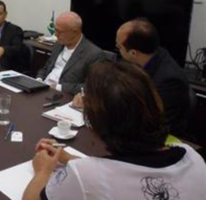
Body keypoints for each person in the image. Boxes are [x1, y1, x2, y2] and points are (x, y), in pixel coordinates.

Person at [24, 61, 206, 200]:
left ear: (96, 121)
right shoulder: (194, 158)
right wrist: (69, 158)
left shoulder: (85, 175)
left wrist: (43, 171)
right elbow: (127, 169)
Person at [115, 19, 190, 136]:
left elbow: (154, 123)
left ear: (133, 53)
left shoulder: (169, 81)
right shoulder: (143, 59)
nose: (118, 50)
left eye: (119, 47)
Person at [36, 11, 103, 94]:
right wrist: (39, 79)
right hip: (43, 88)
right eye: (55, 30)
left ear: (74, 32)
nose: (56, 35)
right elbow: (46, 68)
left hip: (62, 94)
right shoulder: (58, 44)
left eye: (59, 32)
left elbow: (90, 87)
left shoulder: (93, 54)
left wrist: (57, 87)